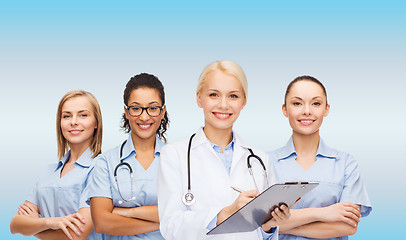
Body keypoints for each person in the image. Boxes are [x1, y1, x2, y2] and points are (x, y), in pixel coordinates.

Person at [158, 60, 291, 240]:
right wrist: (225, 214)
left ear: (243, 101)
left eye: (233, 96)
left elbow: (261, 233)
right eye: (214, 95)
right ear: (199, 98)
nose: (223, 104)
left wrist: (269, 226)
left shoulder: (260, 159)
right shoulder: (173, 155)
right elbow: (170, 227)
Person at [268, 75, 372, 240]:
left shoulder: (345, 163)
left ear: (326, 109)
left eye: (316, 103)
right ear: (285, 110)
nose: (307, 111)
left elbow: (348, 226)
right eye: (297, 103)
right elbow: (257, 224)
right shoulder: (264, 162)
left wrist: (281, 226)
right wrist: (324, 213)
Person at [10, 89, 103, 240]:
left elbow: (77, 233)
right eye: (67, 116)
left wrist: (33, 226)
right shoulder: (48, 172)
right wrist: (50, 222)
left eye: (83, 115)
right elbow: (15, 225)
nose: (73, 121)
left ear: (96, 123)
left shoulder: (100, 169)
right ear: (60, 123)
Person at [87, 73, 168, 240]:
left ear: (162, 111)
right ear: (126, 111)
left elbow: (187, 214)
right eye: (136, 108)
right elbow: (102, 223)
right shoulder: (106, 163)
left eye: (152, 108)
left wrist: (128, 212)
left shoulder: (179, 160)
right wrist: (162, 222)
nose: (144, 117)